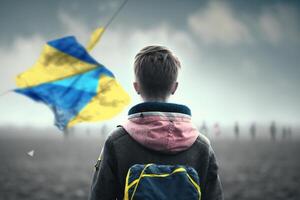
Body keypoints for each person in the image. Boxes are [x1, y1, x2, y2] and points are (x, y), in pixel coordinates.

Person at [88, 46, 223, 200]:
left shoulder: (116, 142)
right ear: (174, 87)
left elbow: (99, 196)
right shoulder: (201, 147)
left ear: (136, 87)